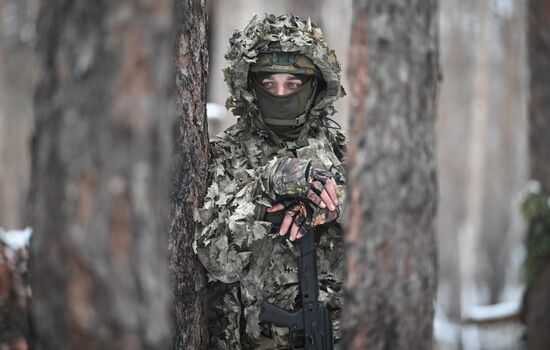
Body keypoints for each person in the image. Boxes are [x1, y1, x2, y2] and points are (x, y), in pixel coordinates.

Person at [193, 13, 346, 349]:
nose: (280, 94)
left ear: (315, 88)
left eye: (292, 85)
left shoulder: (339, 154)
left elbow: (388, 231)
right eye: (268, 84)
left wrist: (332, 206)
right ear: (251, 89)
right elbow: (216, 260)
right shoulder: (226, 155)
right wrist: (266, 186)